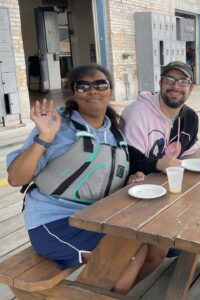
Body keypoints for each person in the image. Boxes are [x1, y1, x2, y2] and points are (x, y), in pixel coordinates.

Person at [6, 64, 164, 295]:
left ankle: (109, 293)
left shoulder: (115, 131)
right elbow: (15, 178)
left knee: (157, 249)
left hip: (96, 217)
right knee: (127, 256)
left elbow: (104, 173)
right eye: (83, 86)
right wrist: (44, 138)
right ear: (74, 93)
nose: (93, 90)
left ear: (110, 91)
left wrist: (132, 177)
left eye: (100, 84)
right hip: (54, 221)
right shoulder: (57, 125)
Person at [122, 61, 199, 174]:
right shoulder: (137, 114)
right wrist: (159, 165)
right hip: (140, 188)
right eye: (169, 80)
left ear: (191, 88)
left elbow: (189, 155)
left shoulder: (191, 118)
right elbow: (128, 162)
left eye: (183, 81)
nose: (175, 86)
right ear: (160, 83)